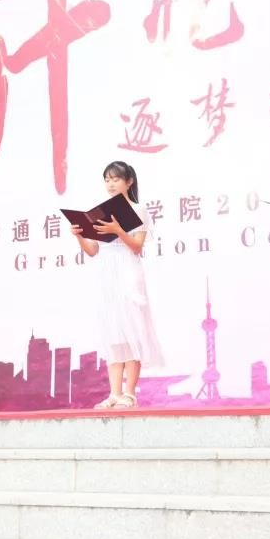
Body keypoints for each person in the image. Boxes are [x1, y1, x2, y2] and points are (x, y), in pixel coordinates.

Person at [70, 161, 164, 409]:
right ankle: (114, 393)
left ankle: (129, 393)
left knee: (132, 329)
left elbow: (137, 246)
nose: (110, 184)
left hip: (128, 271)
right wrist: (79, 235)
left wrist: (118, 230)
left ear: (129, 182)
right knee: (112, 333)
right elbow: (92, 250)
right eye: (107, 179)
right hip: (106, 274)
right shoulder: (99, 212)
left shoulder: (138, 209)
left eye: (116, 179)